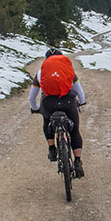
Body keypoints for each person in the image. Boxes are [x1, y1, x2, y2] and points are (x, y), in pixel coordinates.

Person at [29, 48, 87, 177]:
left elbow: (32, 98)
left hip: (48, 104)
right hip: (68, 103)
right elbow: (80, 92)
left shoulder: (41, 73)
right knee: (75, 131)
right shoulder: (69, 71)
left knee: (47, 121)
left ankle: (52, 149)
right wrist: (82, 102)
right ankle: (77, 161)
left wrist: (35, 108)